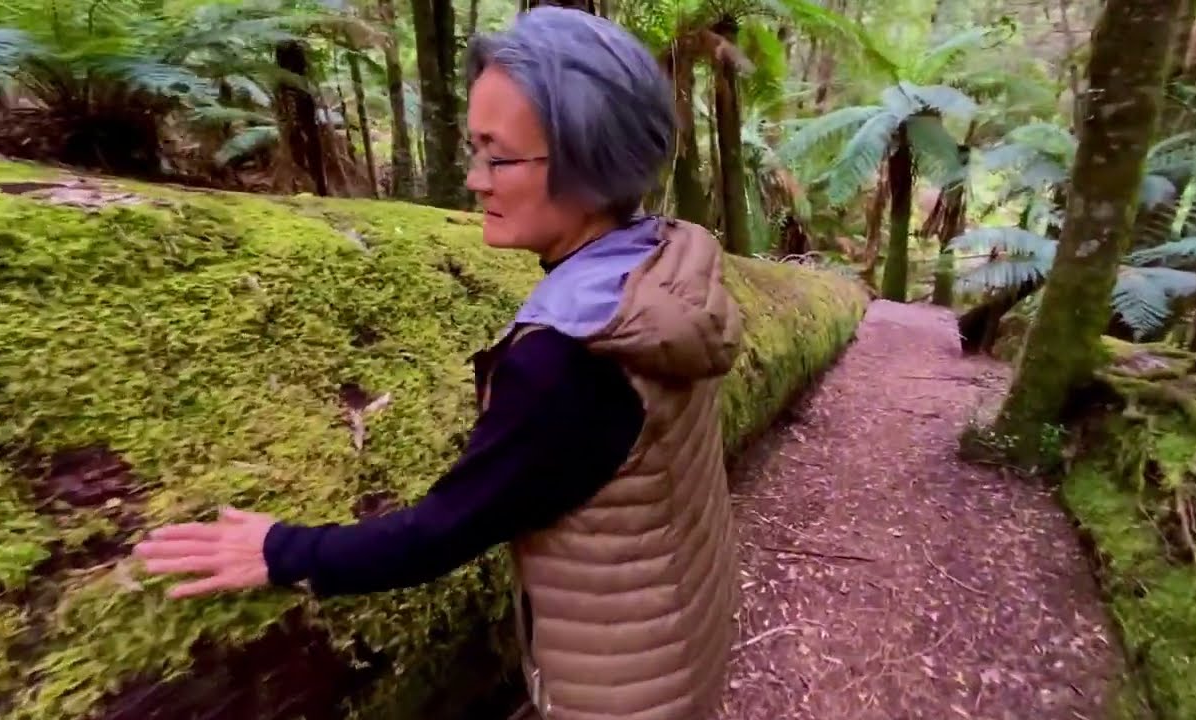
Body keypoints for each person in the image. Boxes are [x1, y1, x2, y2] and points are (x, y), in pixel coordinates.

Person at [132, 7, 743, 720]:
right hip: (685, 630)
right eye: (473, 150)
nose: (475, 179)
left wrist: (281, 549)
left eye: (499, 156)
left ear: (591, 160)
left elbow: (444, 528)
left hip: (620, 686)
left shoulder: (563, 362)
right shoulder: (664, 260)